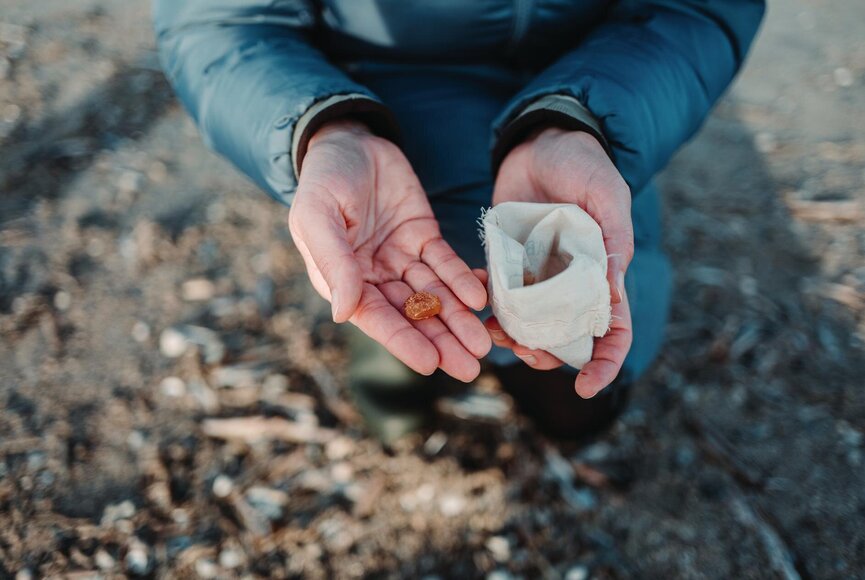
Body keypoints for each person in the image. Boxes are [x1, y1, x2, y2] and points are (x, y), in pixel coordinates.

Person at [153, 0, 764, 441]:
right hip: (385, 137)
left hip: (590, 110)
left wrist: (577, 121)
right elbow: (219, 22)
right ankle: (393, 383)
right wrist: (324, 127)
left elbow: (699, 11)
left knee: (579, 386)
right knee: (399, 356)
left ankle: (562, 417)